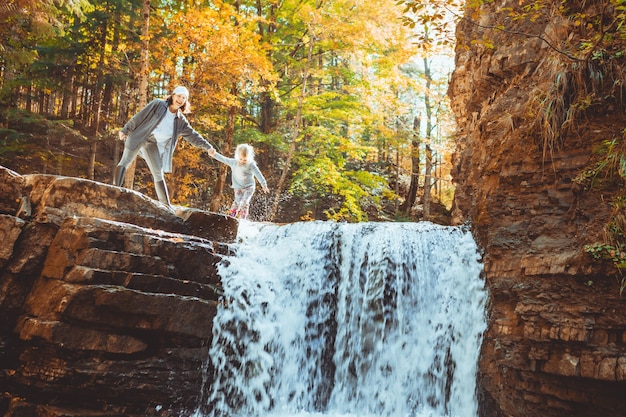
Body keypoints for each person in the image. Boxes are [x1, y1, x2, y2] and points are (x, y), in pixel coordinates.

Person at [114, 86, 214, 208]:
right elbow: (140, 116)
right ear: (173, 95)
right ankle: (114, 191)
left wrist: (208, 147)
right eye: (179, 96)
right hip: (139, 136)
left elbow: (193, 136)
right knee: (125, 161)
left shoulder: (180, 120)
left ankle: (166, 206)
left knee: (158, 173)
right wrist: (126, 129)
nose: (181, 99)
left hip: (151, 143)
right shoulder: (158, 104)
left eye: (184, 98)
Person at [208, 144, 269, 219]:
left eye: (245, 160)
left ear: (249, 158)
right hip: (238, 187)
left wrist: (264, 184)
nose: (242, 161)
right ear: (237, 156)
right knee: (236, 202)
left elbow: (258, 174)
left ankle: (243, 218)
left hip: (249, 187)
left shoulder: (251, 165)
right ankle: (231, 217)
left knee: (244, 202)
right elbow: (223, 159)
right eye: (241, 159)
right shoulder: (233, 162)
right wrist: (214, 154)